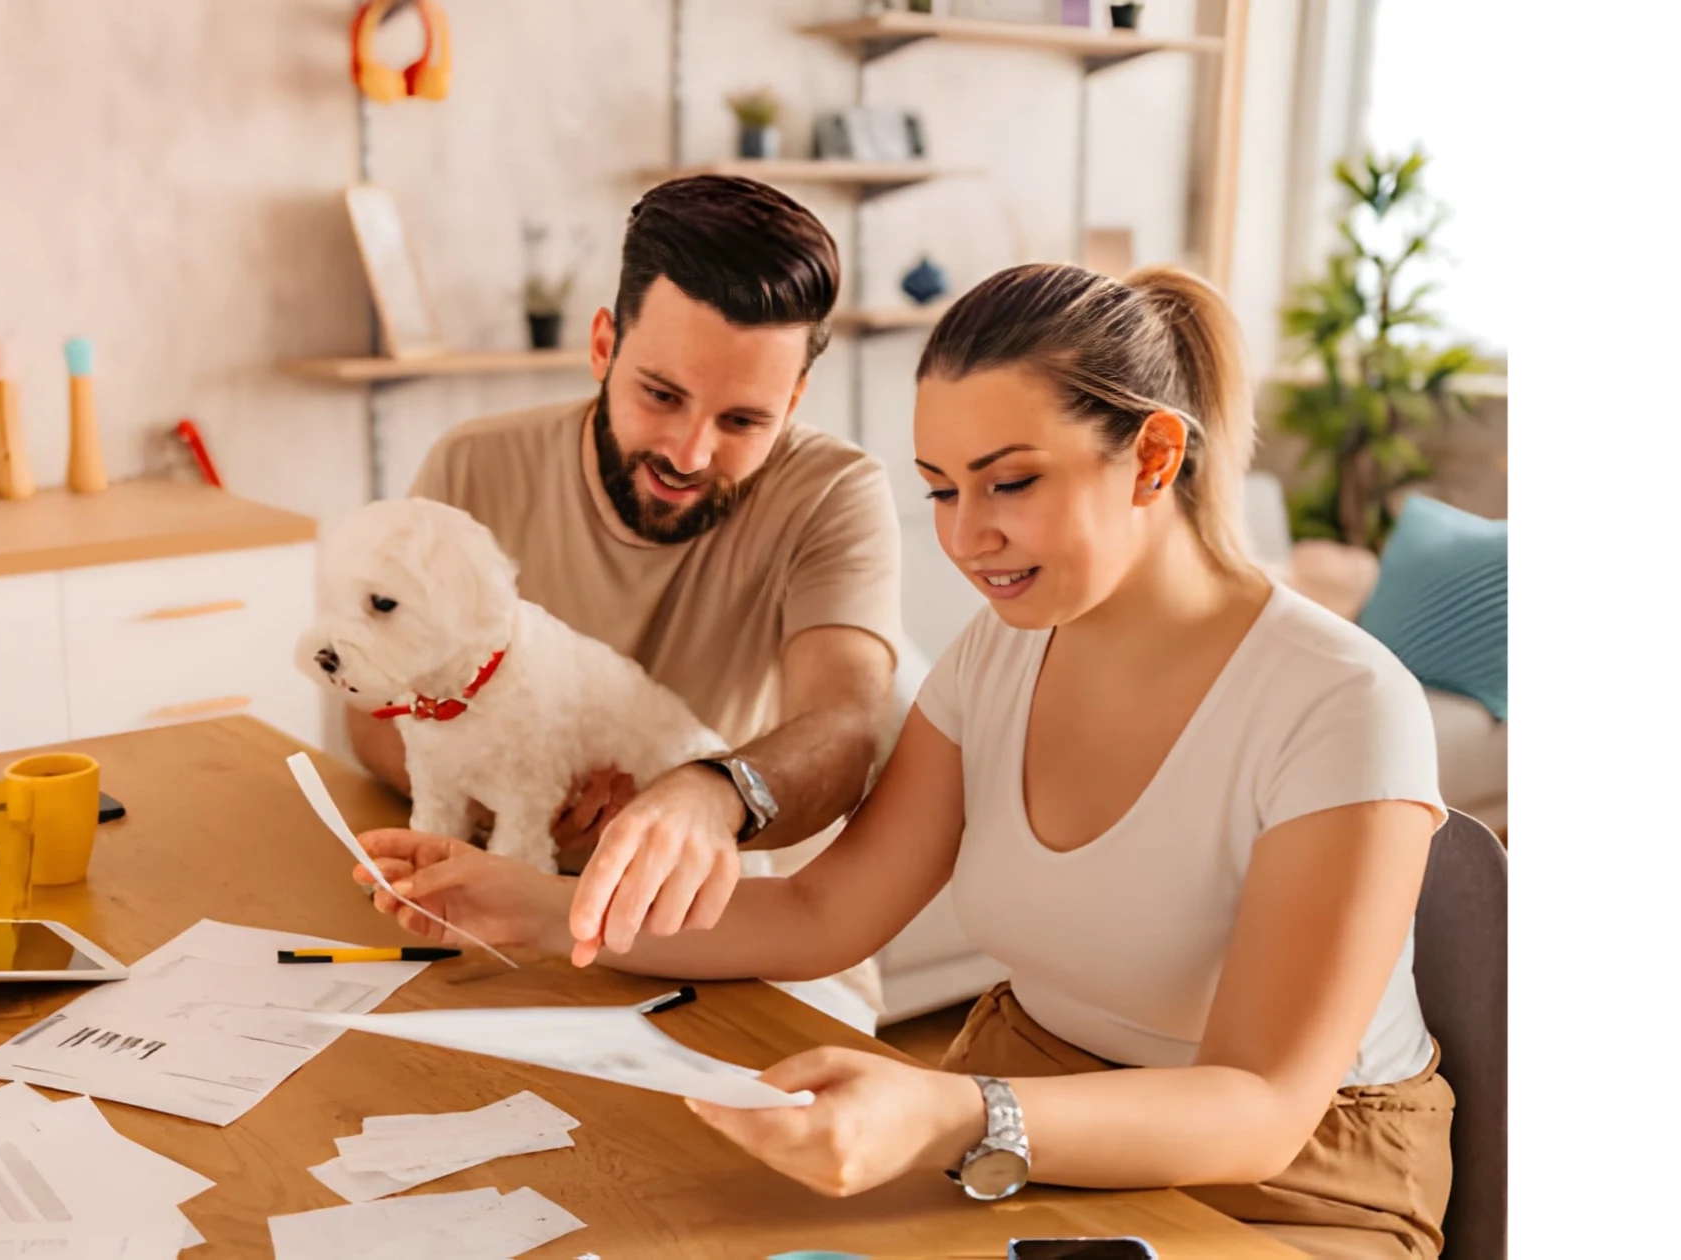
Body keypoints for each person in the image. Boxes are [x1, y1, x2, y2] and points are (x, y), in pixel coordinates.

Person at [350, 261, 1455, 1260]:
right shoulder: (996, 654)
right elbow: (826, 912)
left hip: (1290, 1183)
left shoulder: (1339, 704)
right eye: (940, 487)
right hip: (1027, 1096)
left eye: (1008, 482)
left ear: (1152, 457)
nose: (965, 538)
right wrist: (541, 907)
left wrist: (952, 1112)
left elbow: (1259, 1107)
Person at [346, 174, 905, 1024]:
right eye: (662, 395)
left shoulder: (835, 493)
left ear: (792, 403)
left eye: (744, 422)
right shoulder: (471, 468)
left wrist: (710, 793)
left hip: (734, 945)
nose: (689, 451)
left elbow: (846, 726)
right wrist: (509, 782)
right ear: (603, 345)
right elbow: (373, 705)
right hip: (495, 918)